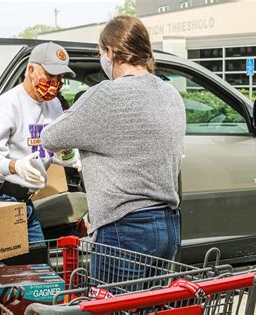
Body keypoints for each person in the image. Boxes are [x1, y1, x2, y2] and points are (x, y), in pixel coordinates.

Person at [41, 15, 185, 284]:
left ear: (110, 51)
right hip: (168, 226)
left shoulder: (106, 95)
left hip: (125, 229)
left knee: (112, 307)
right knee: (149, 306)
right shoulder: (171, 94)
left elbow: (51, 137)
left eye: (100, 52)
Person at [0, 42, 76, 243]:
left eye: (60, 78)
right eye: (49, 76)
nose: (55, 83)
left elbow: (53, 147)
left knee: (37, 264)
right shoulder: (5, 107)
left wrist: (70, 156)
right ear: (31, 70)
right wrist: (14, 166)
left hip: (26, 201)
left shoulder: (55, 104)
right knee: (11, 270)